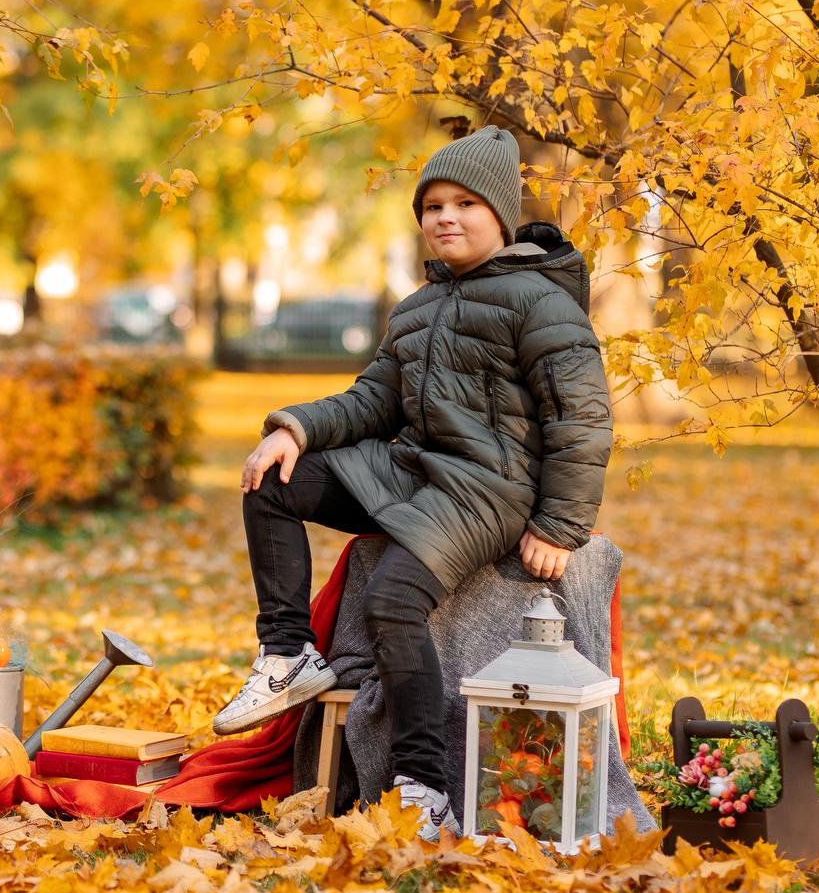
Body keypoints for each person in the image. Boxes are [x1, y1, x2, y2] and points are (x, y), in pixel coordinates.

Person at [211, 126, 612, 840]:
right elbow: (373, 400)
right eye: (432, 206)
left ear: (500, 214)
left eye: (465, 204)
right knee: (271, 480)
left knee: (393, 599)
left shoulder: (540, 301)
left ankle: (422, 786)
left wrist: (560, 524)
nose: (445, 217)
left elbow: (580, 417)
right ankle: (287, 653)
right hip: (412, 471)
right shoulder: (417, 307)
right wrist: (294, 429)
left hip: (487, 490)